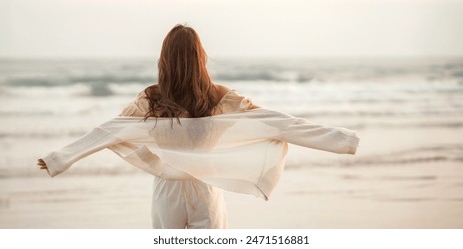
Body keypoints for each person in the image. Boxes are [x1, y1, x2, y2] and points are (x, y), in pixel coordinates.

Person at [38, 24, 359, 229]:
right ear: (199, 57)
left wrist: (60, 158)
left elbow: (109, 131)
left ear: (164, 59)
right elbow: (280, 124)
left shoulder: (151, 98)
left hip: (167, 193)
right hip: (206, 189)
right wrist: (342, 140)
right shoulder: (219, 96)